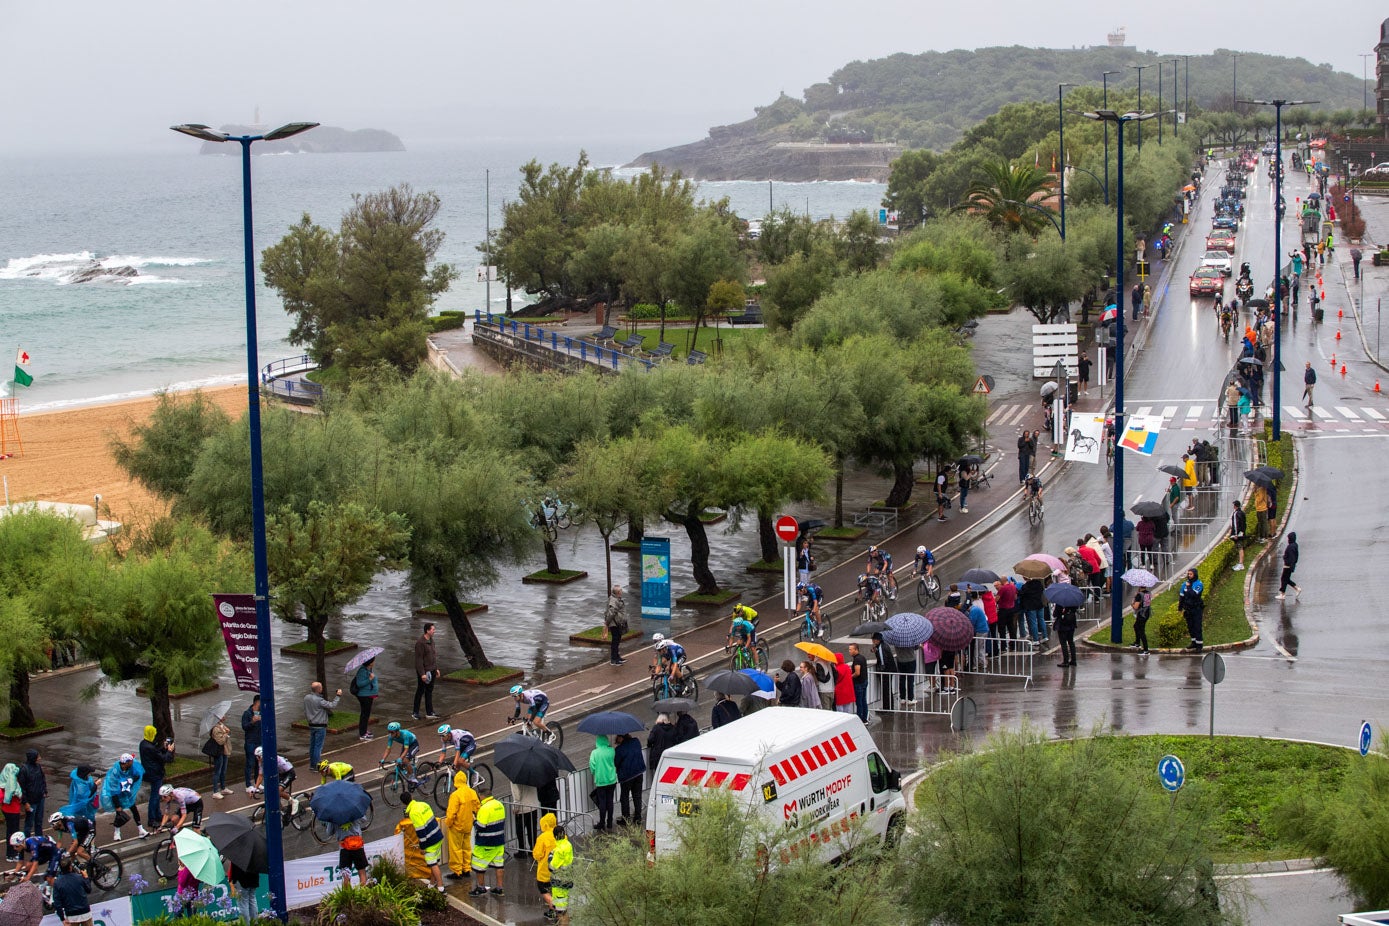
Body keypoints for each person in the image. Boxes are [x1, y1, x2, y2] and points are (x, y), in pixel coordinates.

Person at [469, 784, 506, 897]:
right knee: (499, 865)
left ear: (482, 796)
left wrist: (474, 821)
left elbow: (481, 826)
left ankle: (481, 887)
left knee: (479, 865)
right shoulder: (499, 804)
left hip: (486, 842)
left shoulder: (484, 808)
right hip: (499, 840)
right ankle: (499, 888)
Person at [99, 753, 146, 841]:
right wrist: (117, 805)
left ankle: (141, 829)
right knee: (119, 813)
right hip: (117, 794)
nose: (133, 762)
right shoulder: (115, 773)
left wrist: (131, 780)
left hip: (127, 792)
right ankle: (117, 832)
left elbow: (137, 775)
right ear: (126, 762)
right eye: (131, 761)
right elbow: (113, 790)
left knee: (134, 809)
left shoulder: (130, 767)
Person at [406, 789, 445, 892]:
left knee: (433, 864)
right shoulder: (423, 804)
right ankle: (432, 883)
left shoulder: (413, 813)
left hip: (430, 842)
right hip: (437, 835)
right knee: (434, 862)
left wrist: (422, 847)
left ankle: (441, 887)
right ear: (412, 797)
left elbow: (421, 831)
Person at [443, 770, 480, 881]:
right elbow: (478, 807)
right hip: (468, 825)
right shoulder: (471, 792)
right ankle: (466, 868)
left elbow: (451, 813)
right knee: (466, 848)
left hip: (457, 826)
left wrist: (448, 823)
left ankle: (457, 871)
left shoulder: (455, 795)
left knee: (456, 849)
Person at [137, 727, 173, 831]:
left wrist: (163, 748)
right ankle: (152, 818)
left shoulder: (143, 744)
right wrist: (169, 751)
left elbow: (156, 753)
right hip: (155, 774)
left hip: (150, 773)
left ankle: (158, 815)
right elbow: (164, 758)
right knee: (155, 796)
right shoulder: (149, 747)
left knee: (156, 795)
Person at [303, 681, 342, 769]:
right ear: (319, 689)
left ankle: (312, 765)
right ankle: (317, 766)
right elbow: (332, 705)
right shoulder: (319, 700)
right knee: (318, 747)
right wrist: (338, 696)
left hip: (311, 724)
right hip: (320, 725)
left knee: (312, 745)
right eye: (321, 687)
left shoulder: (306, 698)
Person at [614, 733, 645, 826]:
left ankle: (626, 819)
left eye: (617, 737)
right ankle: (638, 818)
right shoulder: (636, 741)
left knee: (624, 798)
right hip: (639, 773)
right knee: (637, 796)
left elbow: (616, 763)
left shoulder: (619, 749)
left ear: (621, 737)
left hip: (627, 776)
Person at [532, 811, 558, 919]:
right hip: (558, 869)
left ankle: (556, 910)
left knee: (543, 889)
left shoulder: (542, 838)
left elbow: (537, 854)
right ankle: (554, 910)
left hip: (545, 871)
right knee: (554, 890)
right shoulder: (561, 835)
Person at [588, 734, 617, 831]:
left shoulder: (594, 753)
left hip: (601, 781)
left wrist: (594, 772)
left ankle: (602, 822)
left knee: (602, 803)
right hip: (612, 780)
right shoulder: (611, 750)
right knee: (610, 801)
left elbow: (592, 766)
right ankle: (609, 822)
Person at [52, 854, 91, 926]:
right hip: (85, 913)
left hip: (71, 916)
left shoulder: (57, 883)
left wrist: (62, 918)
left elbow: (57, 903)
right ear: (70, 867)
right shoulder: (79, 877)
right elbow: (88, 890)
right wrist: (86, 877)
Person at [16, 749, 46, 842]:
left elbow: (42, 779)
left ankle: (39, 840)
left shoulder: (38, 767)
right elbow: (22, 788)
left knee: (39, 821)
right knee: (29, 823)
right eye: (38, 757)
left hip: (40, 798)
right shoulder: (24, 769)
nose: (39, 758)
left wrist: (44, 791)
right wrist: (25, 802)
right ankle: (27, 841)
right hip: (31, 801)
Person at [548, 825, 574, 926]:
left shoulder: (558, 850)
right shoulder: (568, 844)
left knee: (560, 911)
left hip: (559, 881)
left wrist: (550, 856)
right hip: (567, 878)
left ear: (555, 836)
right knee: (564, 908)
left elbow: (551, 867)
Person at [413, 623, 439, 721]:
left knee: (429, 691)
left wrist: (436, 668)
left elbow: (433, 656)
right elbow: (419, 660)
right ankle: (415, 712)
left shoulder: (431, 641)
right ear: (427, 630)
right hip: (424, 671)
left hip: (432, 669)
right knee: (420, 691)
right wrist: (422, 673)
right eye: (433, 629)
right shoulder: (420, 643)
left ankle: (429, 712)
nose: (434, 631)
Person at [351, 656, 379, 742]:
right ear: (370, 662)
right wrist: (370, 679)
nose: (374, 662)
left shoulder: (368, 669)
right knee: (364, 715)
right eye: (373, 660)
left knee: (366, 714)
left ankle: (364, 730)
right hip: (364, 696)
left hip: (369, 695)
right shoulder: (362, 671)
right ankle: (362, 734)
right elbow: (360, 684)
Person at [226, 855, 261, 923]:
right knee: (252, 900)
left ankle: (246, 923)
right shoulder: (254, 848)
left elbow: (233, 867)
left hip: (241, 879)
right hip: (254, 877)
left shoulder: (238, 850)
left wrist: (231, 880)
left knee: (243, 903)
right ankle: (255, 923)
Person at [1178, 568, 1205, 651]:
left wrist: (1189, 587)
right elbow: (1182, 596)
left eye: (1191, 574)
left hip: (1196, 609)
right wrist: (1180, 608)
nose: (1189, 576)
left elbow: (1194, 594)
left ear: (1195, 575)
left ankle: (1199, 645)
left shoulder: (1199, 584)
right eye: (1188, 574)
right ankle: (1193, 643)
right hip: (1188, 609)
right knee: (1190, 627)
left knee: (1197, 627)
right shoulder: (1184, 584)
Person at [869, 634, 898, 711]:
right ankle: (888, 707)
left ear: (877, 640)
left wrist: (880, 670)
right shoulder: (883, 646)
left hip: (886, 672)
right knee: (888, 689)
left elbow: (882, 662)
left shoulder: (881, 647)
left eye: (873, 639)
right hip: (889, 670)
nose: (873, 641)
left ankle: (887, 708)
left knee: (886, 690)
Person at [1, 764, 22, 863]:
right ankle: (11, 854)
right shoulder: (8, 784)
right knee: (12, 833)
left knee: (12, 832)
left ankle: (13, 853)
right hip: (11, 811)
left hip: (11, 810)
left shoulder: (6, 782)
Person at [207, 713, 231, 799]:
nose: (224, 716)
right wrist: (226, 733)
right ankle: (215, 791)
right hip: (218, 752)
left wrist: (225, 732)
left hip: (224, 751)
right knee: (218, 771)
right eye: (222, 715)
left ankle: (223, 787)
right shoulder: (216, 729)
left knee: (223, 770)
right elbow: (220, 741)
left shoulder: (222, 726)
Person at [603, 585, 628, 666]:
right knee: (615, 641)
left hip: (617, 623)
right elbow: (611, 613)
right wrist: (606, 624)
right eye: (620, 591)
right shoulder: (614, 601)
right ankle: (614, 659)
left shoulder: (616, 599)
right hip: (615, 624)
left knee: (617, 641)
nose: (622, 592)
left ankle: (617, 657)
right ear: (618, 592)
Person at [241, 695, 261, 793]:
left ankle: (258, 782)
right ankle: (248, 784)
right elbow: (244, 726)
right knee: (250, 763)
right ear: (256, 702)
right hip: (250, 742)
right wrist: (252, 722)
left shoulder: (262, 713)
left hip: (259, 741)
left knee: (259, 763)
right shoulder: (247, 714)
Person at [849, 642, 869, 722]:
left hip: (859, 683)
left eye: (851, 649)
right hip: (864, 681)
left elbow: (857, 673)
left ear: (856, 650)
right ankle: (865, 718)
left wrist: (850, 677)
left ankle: (860, 719)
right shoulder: (862, 657)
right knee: (864, 700)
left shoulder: (857, 660)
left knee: (859, 702)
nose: (849, 651)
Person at [1277, 532, 1301, 600]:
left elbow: (1291, 557)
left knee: (1284, 579)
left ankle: (1282, 594)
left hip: (1288, 565)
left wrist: (1287, 561)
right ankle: (1297, 588)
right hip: (1290, 565)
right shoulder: (1295, 545)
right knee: (1286, 579)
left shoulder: (1290, 547)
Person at [1229, 500, 1248, 570]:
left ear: (1235, 506)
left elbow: (1236, 525)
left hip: (1238, 534)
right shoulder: (1241, 513)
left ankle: (1241, 564)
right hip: (1241, 533)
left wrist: (1236, 535)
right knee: (1240, 548)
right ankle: (1240, 563)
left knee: (1240, 548)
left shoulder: (1236, 514)